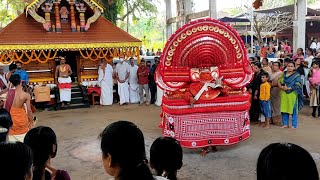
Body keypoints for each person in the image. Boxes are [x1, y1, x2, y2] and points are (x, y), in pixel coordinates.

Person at [6, 74, 33, 142]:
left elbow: (6, 106)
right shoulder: (26, 95)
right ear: (21, 81)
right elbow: (29, 111)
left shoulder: (9, 93)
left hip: (11, 119)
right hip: (21, 118)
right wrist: (31, 122)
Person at [278, 61, 303, 129]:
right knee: (284, 108)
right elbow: (279, 81)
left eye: (291, 66)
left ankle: (294, 125)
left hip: (293, 94)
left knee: (293, 109)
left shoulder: (296, 75)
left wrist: (290, 88)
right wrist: (281, 87)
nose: (290, 67)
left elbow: (298, 84)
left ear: (294, 67)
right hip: (284, 93)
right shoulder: (283, 73)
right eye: (288, 66)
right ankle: (285, 124)